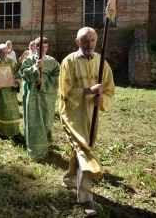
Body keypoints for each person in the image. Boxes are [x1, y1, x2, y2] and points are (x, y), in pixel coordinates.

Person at [59, 27, 115, 216]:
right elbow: (64, 91)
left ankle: (69, 179)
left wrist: (102, 99)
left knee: (81, 148)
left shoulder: (101, 62)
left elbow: (108, 88)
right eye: (85, 41)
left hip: (91, 115)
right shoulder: (68, 62)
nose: (89, 45)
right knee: (84, 149)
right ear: (77, 42)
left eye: (92, 41)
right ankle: (86, 198)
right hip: (72, 114)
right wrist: (88, 91)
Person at [19, 37, 60, 160]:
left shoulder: (52, 62)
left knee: (46, 120)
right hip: (32, 96)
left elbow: (57, 77)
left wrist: (43, 82)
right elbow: (23, 73)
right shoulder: (29, 60)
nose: (44, 50)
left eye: (46, 47)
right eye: (41, 47)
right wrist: (35, 67)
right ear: (36, 47)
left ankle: (45, 146)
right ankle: (34, 150)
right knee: (33, 121)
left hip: (47, 97)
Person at [0, 43, 21, 138]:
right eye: (3, 53)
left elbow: (18, 73)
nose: (5, 55)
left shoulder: (11, 61)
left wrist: (17, 82)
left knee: (11, 112)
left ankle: (12, 131)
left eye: (7, 52)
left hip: (10, 92)